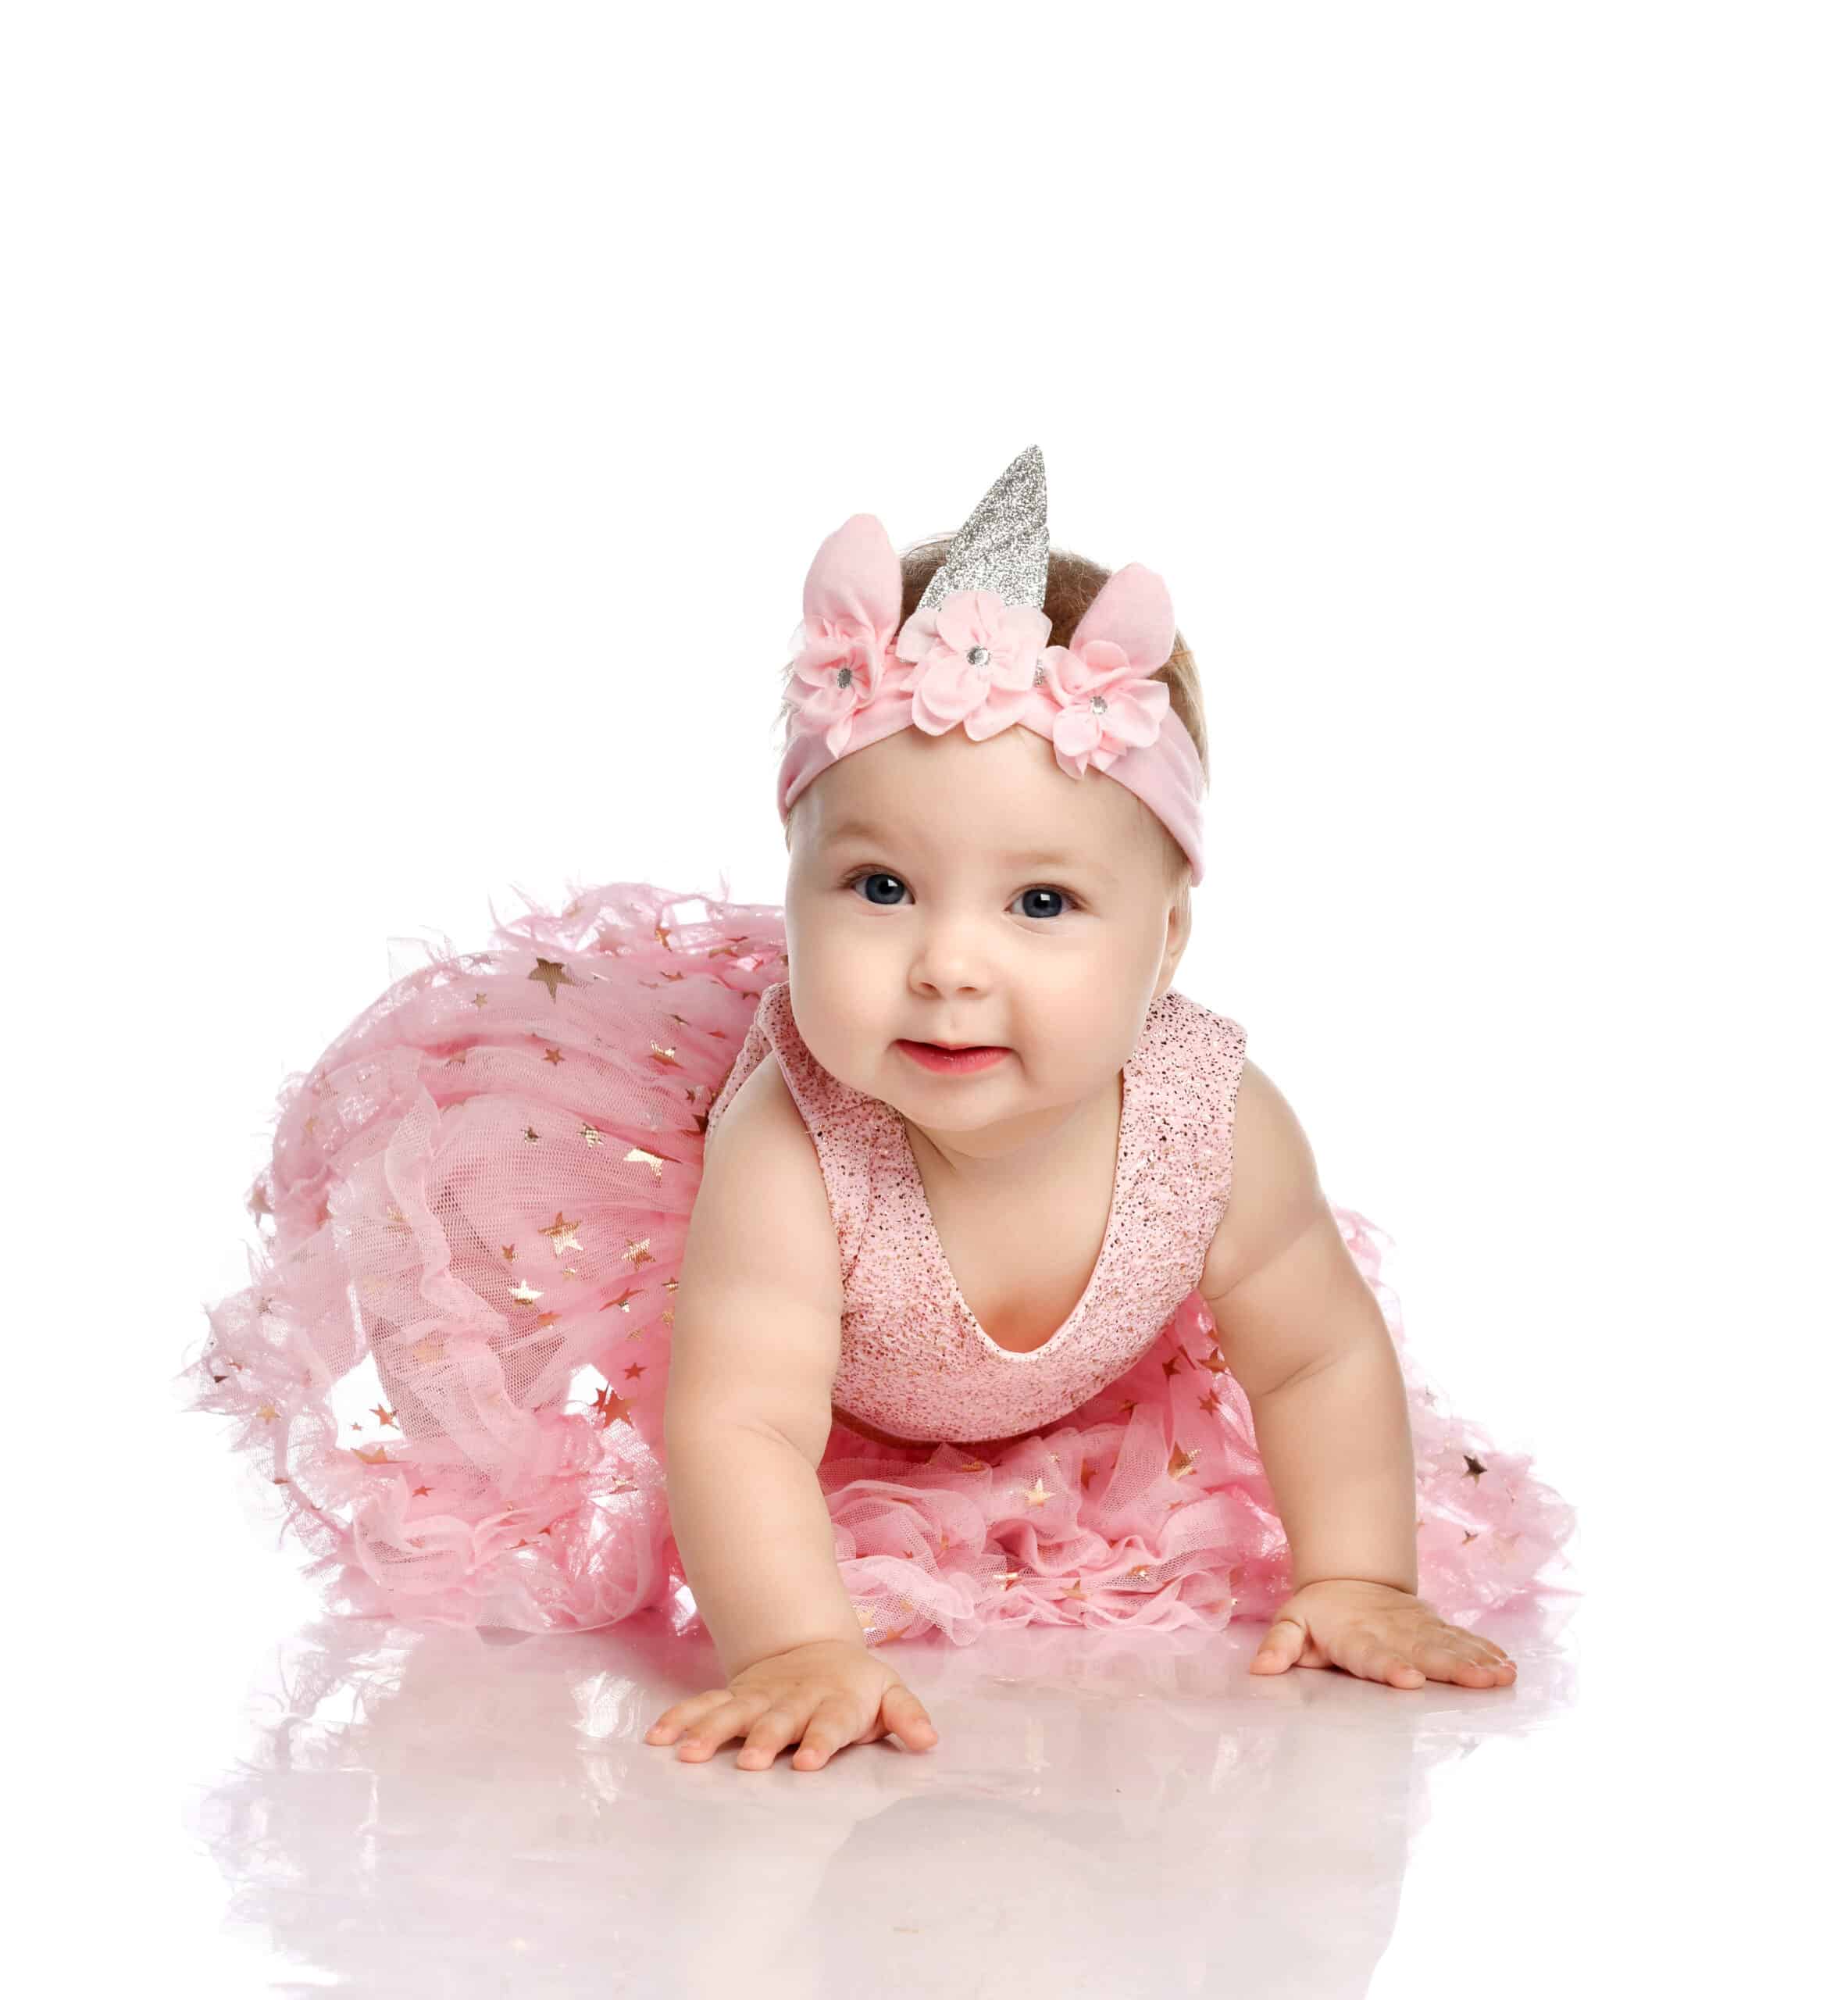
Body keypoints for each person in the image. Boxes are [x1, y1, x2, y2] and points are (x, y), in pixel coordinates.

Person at [181, 445, 1578, 1773]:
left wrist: (1354, 1578)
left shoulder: (1212, 1124)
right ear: (792, 879)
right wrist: (794, 1648)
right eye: (879, 887)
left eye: (1042, 903)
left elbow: (1312, 1360)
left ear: (1164, 944)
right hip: (822, 1410)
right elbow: (739, 1423)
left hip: (1080, 1417)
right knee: (742, 1451)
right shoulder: (792, 1147)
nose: (947, 964)